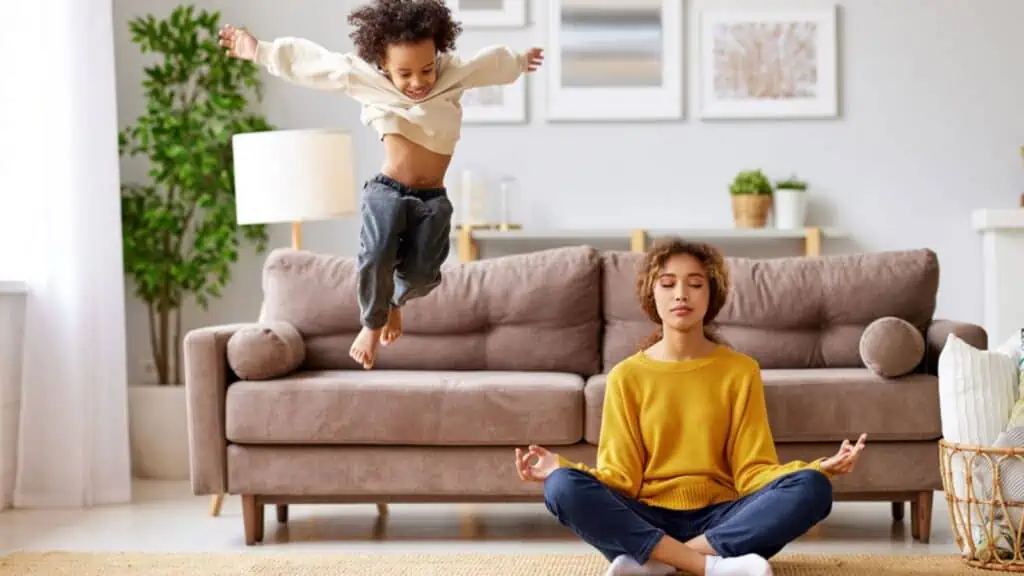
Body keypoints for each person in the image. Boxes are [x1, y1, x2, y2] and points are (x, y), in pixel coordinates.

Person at [219, 0, 543, 369]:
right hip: (387, 191)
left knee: (424, 275)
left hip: (433, 199)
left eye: (425, 69)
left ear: (436, 55)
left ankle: (394, 303)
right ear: (383, 65)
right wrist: (258, 50)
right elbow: (315, 65)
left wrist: (518, 61)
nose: (418, 82)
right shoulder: (365, 80)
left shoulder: (452, 75)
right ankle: (371, 324)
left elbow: (488, 65)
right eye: (404, 74)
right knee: (376, 253)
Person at [514, 238, 868, 576]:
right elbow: (620, 478)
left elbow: (753, 471)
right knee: (561, 488)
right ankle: (708, 565)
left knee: (813, 488)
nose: (681, 294)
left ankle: (659, 559)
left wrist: (819, 468)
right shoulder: (627, 376)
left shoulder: (740, 370)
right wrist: (562, 468)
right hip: (646, 516)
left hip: (724, 518)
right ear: (651, 295)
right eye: (667, 284)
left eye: (695, 284)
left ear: (710, 294)